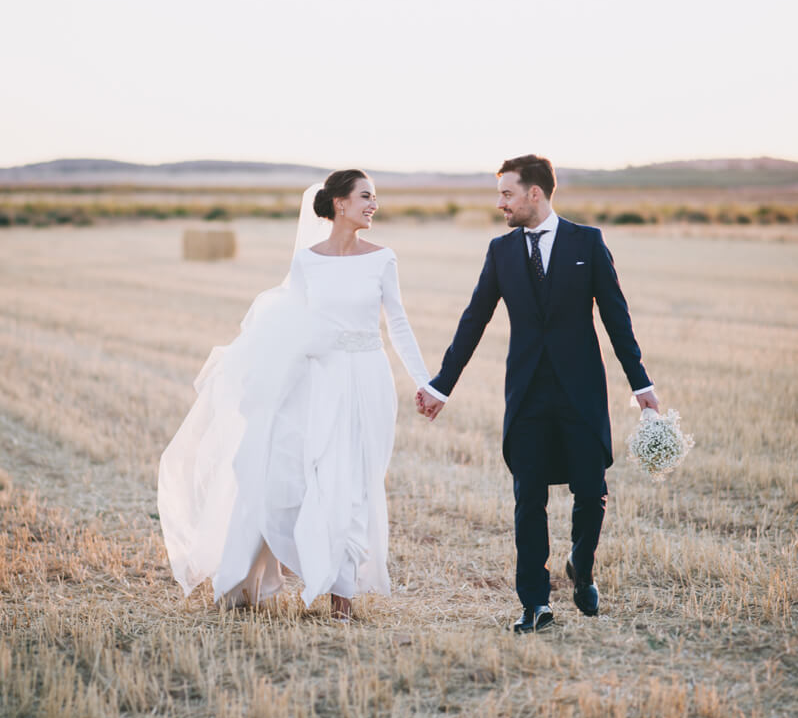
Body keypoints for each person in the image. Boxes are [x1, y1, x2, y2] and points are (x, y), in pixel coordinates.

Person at [158, 169, 431, 622]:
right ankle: (288, 576)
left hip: (368, 377)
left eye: (375, 197)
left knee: (358, 482)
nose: (373, 204)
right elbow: (291, 322)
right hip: (317, 377)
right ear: (339, 204)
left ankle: (343, 595)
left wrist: (425, 381)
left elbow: (398, 324)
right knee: (302, 474)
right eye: (365, 196)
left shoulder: (383, 259)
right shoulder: (306, 261)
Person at [416, 154, 658, 633]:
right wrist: (441, 385)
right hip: (526, 395)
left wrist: (641, 383)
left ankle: (581, 566)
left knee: (591, 491)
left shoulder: (587, 242)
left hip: (580, 393)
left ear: (535, 193)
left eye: (507, 193)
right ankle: (535, 604)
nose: (500, 203)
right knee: (529, 499)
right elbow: (474, 320)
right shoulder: (501, 252)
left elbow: (616, 317)